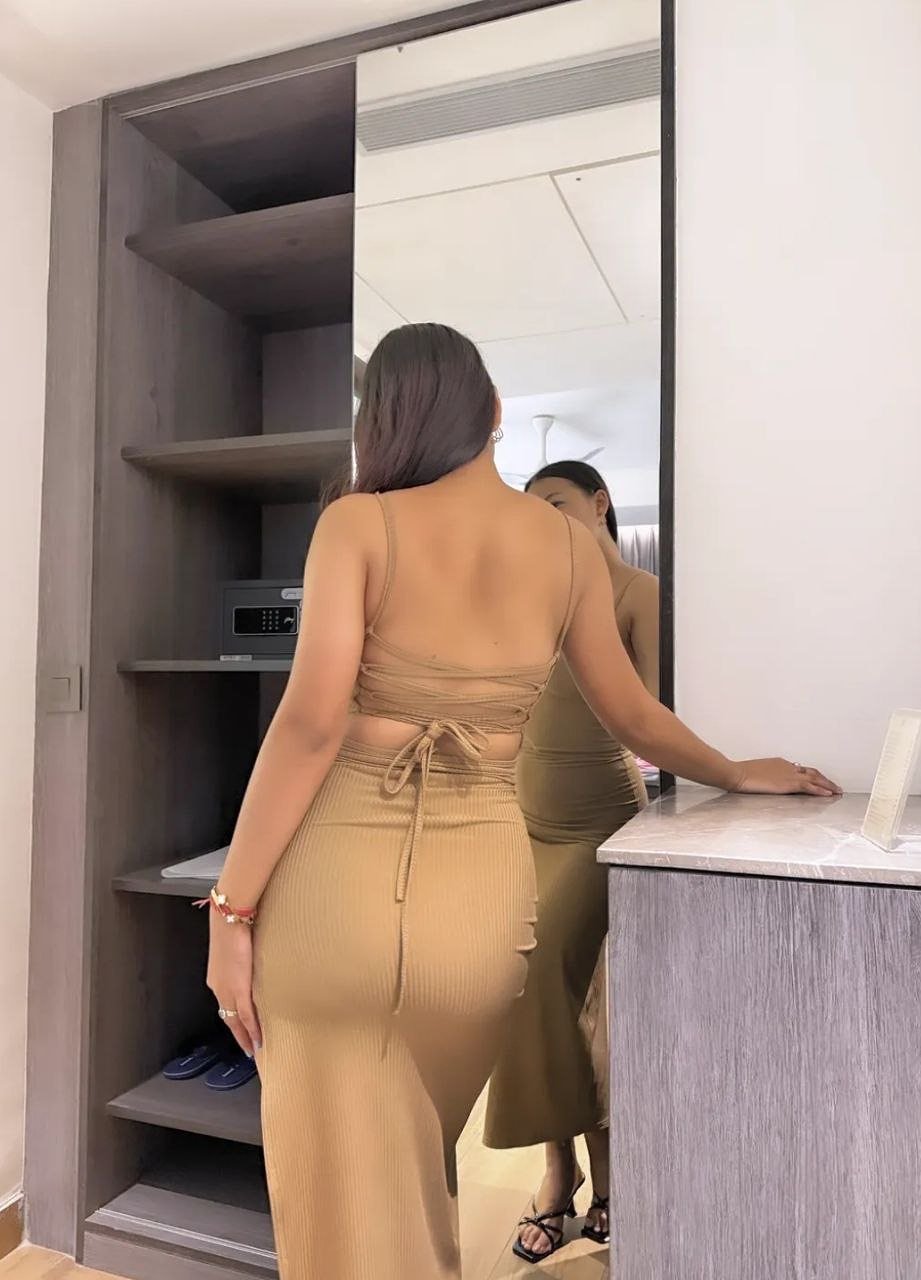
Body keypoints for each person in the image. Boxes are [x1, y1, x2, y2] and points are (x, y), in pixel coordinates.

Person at [204, 322, 839, 1280]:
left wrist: (230, 910)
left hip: (337, 895)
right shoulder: (569, 549)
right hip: (485, 910)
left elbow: (309, 727)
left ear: (379, 422)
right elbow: (634, 716)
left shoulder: (357, 524)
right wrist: (738, 770)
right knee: (416, 1166)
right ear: (495, 412)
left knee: (350, 1193)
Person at [484, 460, 658, 1264]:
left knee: (546, 974)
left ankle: (599, 1176)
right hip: (524, 822)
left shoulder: (637, 594)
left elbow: (650, 716)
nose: (543, 521)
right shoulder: (532, 600)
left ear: (598, 503)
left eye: (554, 503)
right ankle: (563, 1170)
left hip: (598, 823)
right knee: (520, 987)